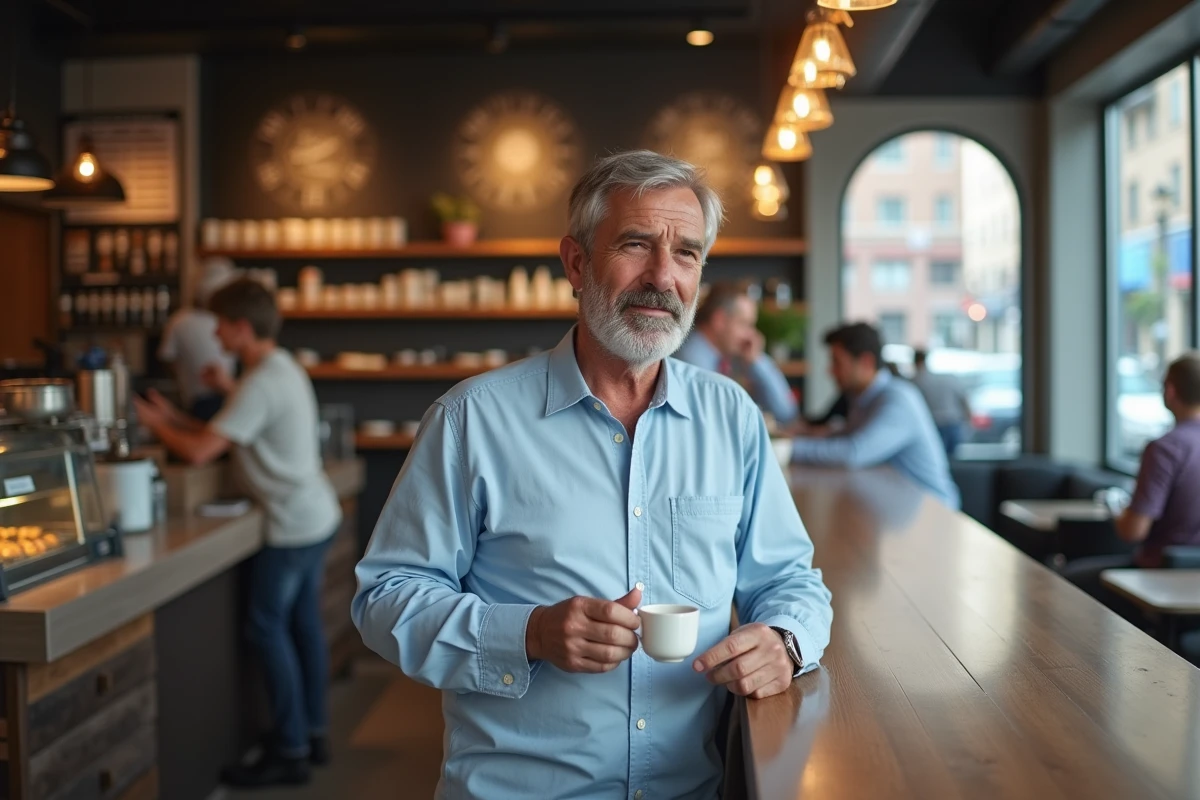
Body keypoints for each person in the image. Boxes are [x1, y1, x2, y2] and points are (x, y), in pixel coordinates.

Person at [352, 150, 833, 799]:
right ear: (576, 263)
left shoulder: (730, 418)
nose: (663, 276)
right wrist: (530, 632)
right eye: (637, 244)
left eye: (687, 253)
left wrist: (786, 640)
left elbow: (789, 579)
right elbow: (385, 595)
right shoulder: (474, 420)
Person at [132, 278, 341, 788]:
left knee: (267, 629)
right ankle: (312, 733)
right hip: (315, 516)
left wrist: (148, 419)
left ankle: (290, 749)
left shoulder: (260, 382)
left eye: (220, 324)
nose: (215, 333)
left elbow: (202, 450)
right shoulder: (275, 369)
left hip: (291, 526)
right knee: (301, 627)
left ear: (241, 328)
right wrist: (174, 415)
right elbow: (227, 430)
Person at [1063, 354, 1200, 620]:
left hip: (1160, 578)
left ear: (1170, 391)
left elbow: (1133, 531)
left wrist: (1117, 510)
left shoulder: (1166, 449)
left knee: (1064, 582)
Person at [790, 322, 960, 508]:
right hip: (897, 507)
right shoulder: (862, 398)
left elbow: (853, 452)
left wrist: (787, 450)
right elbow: (845, 436)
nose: (830, 371)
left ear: (866, 362)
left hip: (933, 513)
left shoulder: (898, 398)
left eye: (837, 362)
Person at [674, 281, 799, 425]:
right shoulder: (690, 361)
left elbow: (786, 412)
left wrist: (756, 360)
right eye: (745, 324)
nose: (751, 335)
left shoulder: (730, 358)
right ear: (720, 321)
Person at [157, 256, 239, 421]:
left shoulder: (180, 321)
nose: (216, 334)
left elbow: (168, 361)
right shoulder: (182, 321)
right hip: (202, 403)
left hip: (221, 399)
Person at [910, 349, 972, 458]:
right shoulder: (949, 378)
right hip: (952, 423)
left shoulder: (915, 381)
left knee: (935, 458)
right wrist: (968, 421)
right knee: (953, 460)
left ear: (914, 362)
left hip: (932, 425)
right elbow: (964, 400)